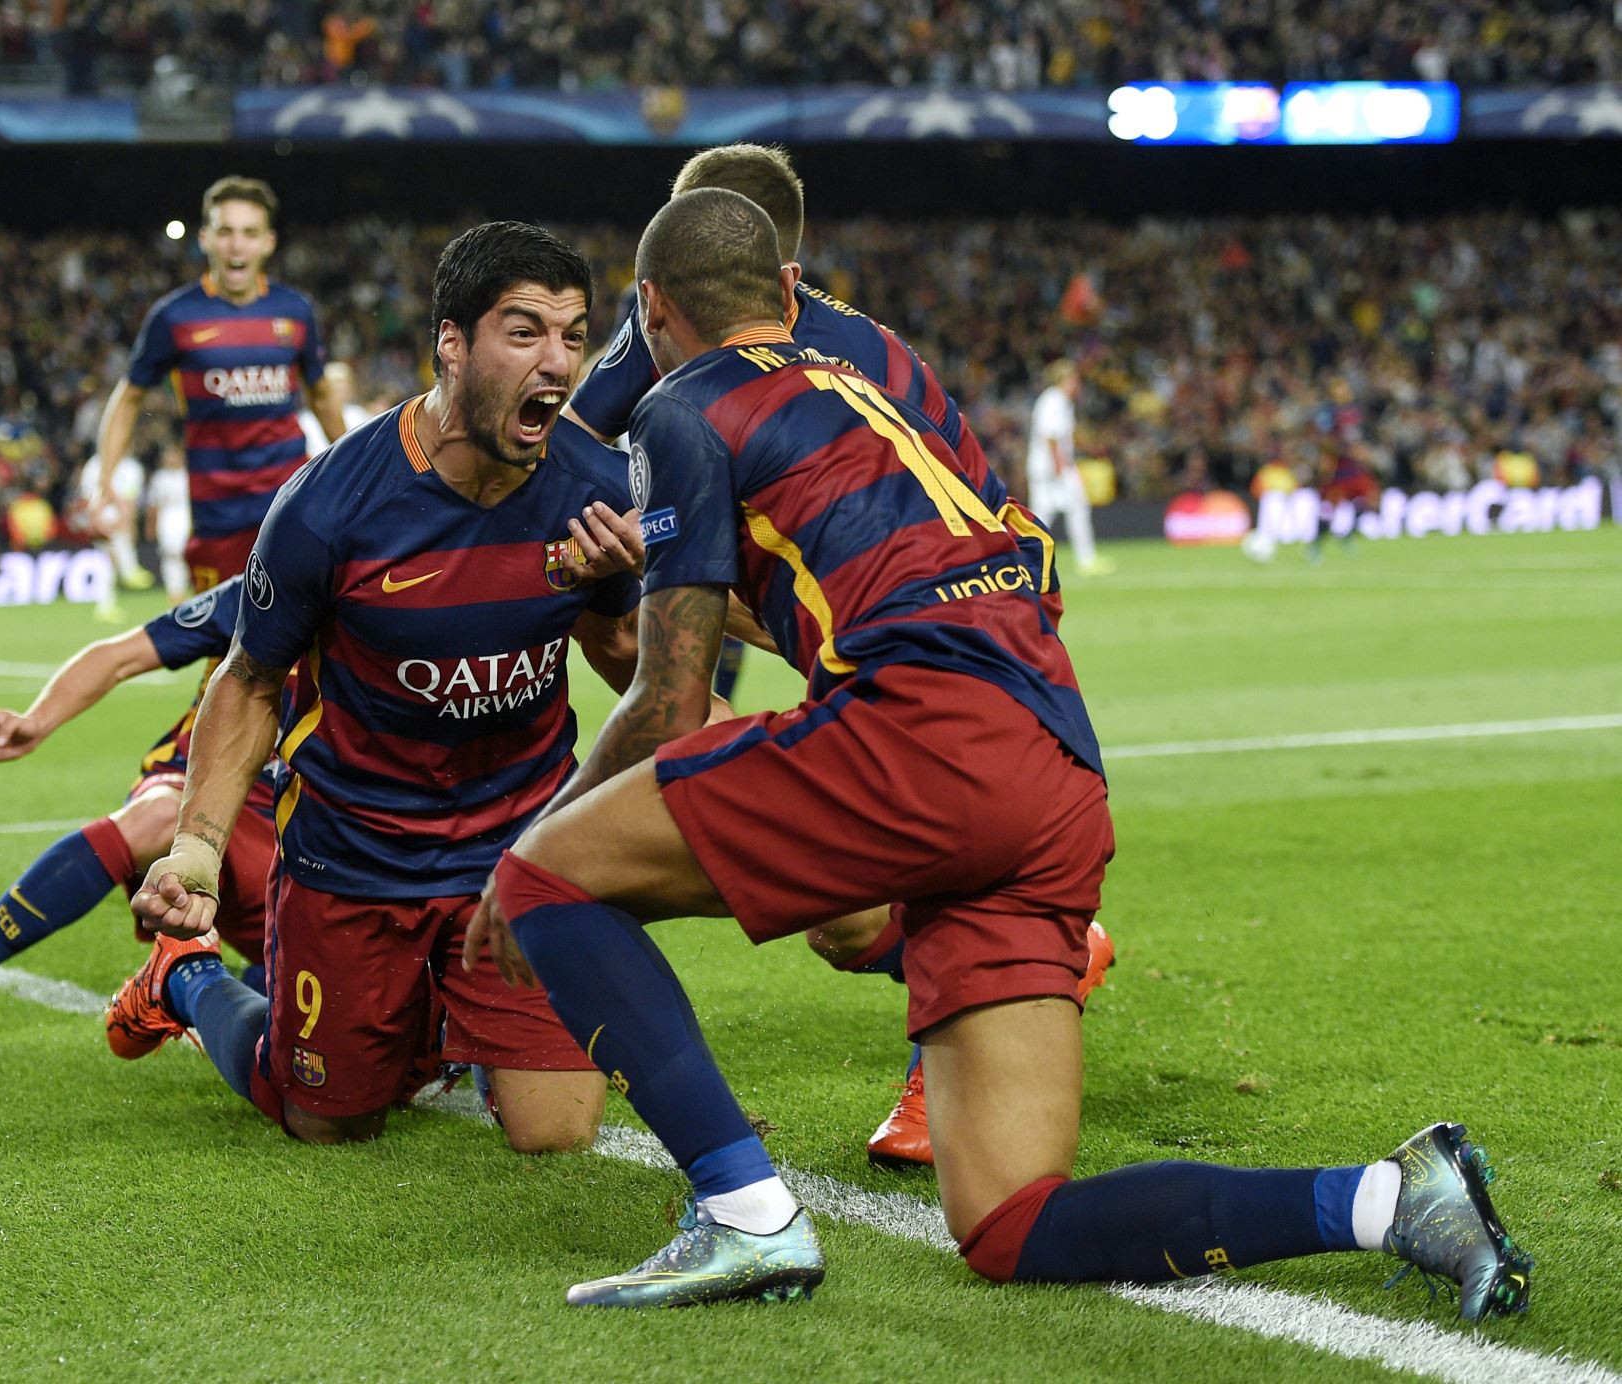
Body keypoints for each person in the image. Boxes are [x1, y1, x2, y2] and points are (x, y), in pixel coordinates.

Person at [462, 189, 1532, 1318]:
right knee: (1012, 1221)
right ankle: (1388, 1199)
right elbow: (916, 583)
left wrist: (529, 846)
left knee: (548, 876)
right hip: (1052, 765)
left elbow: (667, 703)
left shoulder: (679, 408)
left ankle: (743, 1217)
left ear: (651, 310)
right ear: (789, 294)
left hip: (923, 739)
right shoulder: (885, 397)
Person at [566, 140, 1114, 1167]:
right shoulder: (778, 341)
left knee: (849, 904)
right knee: (621, 626)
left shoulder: (809, 358)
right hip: (916, 607)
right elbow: (575, 441)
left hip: (922, 625)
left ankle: (1002, 989)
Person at [116, 222, 649, 1154]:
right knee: (325, 1118)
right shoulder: (331, 503)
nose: (558, 362)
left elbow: (623, 651)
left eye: (573, 335)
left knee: (556, 1134)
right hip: (355, 853)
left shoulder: (597, 484)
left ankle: (445, 1019)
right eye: (524, 332)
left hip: (515, 848)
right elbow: (248, 680)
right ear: (451, 341)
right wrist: (198, 849)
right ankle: (188, 979)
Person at [0, 575, 275, 1048]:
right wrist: (37, 720)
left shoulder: (382, 619)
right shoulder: (268, 589)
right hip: (201, 790)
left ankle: (180, 981)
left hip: (307, 829)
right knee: (157, 818)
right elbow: (119, 657)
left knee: (349, 1013)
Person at [94, 175, 347, 594]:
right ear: (206, 239)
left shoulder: (295, 311)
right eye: (226, 232)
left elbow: (321, 394)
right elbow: (128, 399)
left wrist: (350, 467)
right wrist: (106, 485)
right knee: (223, 651)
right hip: (217, 515)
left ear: (268, 242)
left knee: (308, 647)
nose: (236, 245)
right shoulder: (174, 317)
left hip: (291, 507)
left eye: (249, 233)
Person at [1026, 359, 1113, 577]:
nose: (1077, 384)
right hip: (1051, 469)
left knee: (1044, 517)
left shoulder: (1059, 401)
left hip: (1046, 469)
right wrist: (1061, 469)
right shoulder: (1054, 400)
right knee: (1070, 510)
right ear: (1064, 379)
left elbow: (1064, 436)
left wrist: (1089, 447)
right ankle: (1086, 560)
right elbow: (1051, 437)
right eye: (1074, 379)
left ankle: (1025, 560)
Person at [73, 448, 155, 619]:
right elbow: (87, 495)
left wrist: (126, 521)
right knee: (110, 559)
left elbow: (130, 501)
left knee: (109, 563)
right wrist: (94, 518)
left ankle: (106, 605)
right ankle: (129, 569)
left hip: (120, 518)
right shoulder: (96, 464)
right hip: (102, 517)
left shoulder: (131, 467)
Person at [144, 444, 194, 600]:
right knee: (170, 559)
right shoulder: (159, 478)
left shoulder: (188, 476)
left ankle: (191, 594)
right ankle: (175, 595)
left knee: (187, 557)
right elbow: (153, 506)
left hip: (185, 518)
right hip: (167, 521)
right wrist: (150, 526)